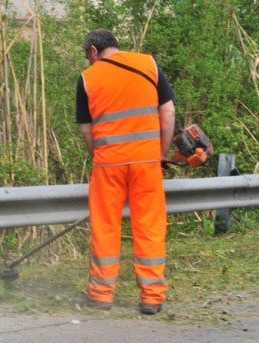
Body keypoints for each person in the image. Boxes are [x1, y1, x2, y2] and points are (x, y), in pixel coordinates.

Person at [76, 29, 176, 315]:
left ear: (93, 51)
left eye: (87, 57)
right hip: (146, 162)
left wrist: (101, 155)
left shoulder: (87, 78)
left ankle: (100, 294)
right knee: (149, 226)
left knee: (105, 226)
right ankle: (152, 296)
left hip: (109, 165)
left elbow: (86, 129)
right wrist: (161, 154)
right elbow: (167, 112)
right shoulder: (149, 64)